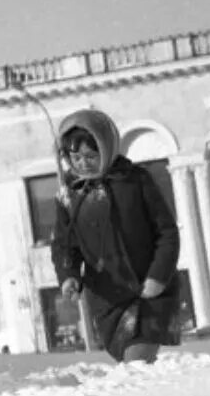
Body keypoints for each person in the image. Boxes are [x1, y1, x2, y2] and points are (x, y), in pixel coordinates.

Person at [51, 109, 181, 363]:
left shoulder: (135, 181)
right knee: (132, 369)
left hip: (148, 292)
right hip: (107, 298)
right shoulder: (69, 196)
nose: (82, 163)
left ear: (106, 147)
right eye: (75, 157)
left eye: (91, 155)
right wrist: (69, 277)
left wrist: (158, 276)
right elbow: (64, 246)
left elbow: (167, 233)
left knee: (138, 361)